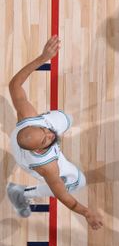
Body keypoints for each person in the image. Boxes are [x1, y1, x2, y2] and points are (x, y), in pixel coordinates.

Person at [6, 36, 103, 230]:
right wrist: (86, 212)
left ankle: (52, 124)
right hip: (36, 161)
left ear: (29, 124)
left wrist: (43, 58)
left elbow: (14, 85)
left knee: (66, 118)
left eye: (44, 130)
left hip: (26, 140)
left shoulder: (27, 117)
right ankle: (20, 193)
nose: (50, 135)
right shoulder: (48, 167)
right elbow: (63, 196)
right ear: (41, 150)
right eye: (45, 140)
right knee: (78, 182)